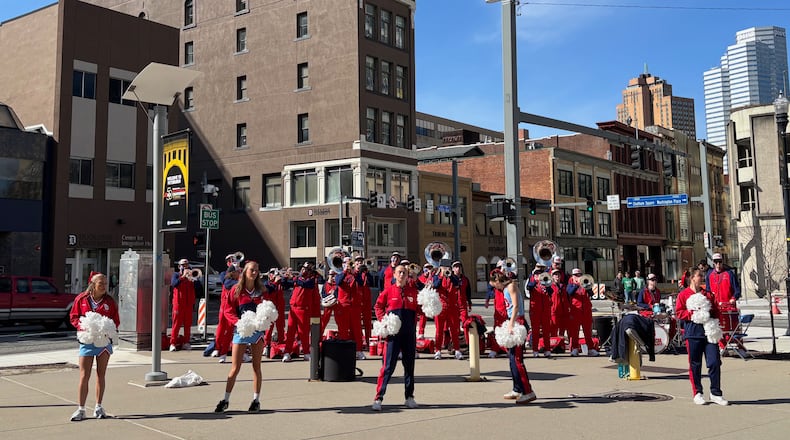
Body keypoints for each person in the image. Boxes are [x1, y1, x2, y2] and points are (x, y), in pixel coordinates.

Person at [214, 261, 266, 413]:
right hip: (241, 331)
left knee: (256, 367)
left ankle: (256, 400)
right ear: (245, 271)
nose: (254, 272)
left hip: (257, 332)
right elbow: (228, 311)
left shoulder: (261, 290)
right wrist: (238, 323)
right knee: (235, 368)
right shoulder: (236, 290)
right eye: (252, 270)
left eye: (257, 270)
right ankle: (225, 399)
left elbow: (267, 309)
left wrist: (264, 322)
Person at [69, 272, 120, 421]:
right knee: (84, 375)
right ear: (93, 284)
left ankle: (99, 406)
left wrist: (108, 329)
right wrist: (83, 326)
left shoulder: (110, 301)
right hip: (87, 341)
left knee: (101, 375)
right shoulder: (82, 299)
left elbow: (115, 320)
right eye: (101, 283)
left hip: (103, 343)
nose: (104, 286)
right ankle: (81, 409)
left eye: (105, 283)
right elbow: (74, 317)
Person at [675, 268, 729, 406]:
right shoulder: (683, 295)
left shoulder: (708, 295)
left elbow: (716, 312)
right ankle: (697, 392)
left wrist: (710, 316)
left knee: (714, 362)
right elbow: (679, 313)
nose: (702, 277)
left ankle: (716, 393)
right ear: (692, 278)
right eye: (699, 275)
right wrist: (692, 314)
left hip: (708, 333)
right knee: (695, 364)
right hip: (693, 333)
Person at [372, 265, 420, 411]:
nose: (402, 275)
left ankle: (409, 396)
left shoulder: (413, 292)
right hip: (393, 336)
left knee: (409, 366)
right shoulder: (388, 291)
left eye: (404, 273)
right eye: (399, 272)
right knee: (388, 367)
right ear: (394, 275)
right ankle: (378, 398)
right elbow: (378, 307)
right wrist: (383, 321)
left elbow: (421, 310)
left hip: (409, 334)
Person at [489, 269, 537, 405]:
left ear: (498, 280)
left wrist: (511, 324)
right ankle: (517, 388)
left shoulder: (511, 286)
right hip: (512, 321)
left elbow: (516, 306)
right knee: (511, 359)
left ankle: (528, 391)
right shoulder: (504, 289)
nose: (495, 288)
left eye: (495, 284)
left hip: (518, 322)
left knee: (517, 360)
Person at [282, 262, 323, 362]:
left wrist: (294, 278)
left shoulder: (311, 280)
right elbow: (285, 284)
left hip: (304, 309)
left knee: (303, 332)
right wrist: (285, 277)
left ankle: (306, 352)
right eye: (302, 268)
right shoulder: (298, 279)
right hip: (293, 308)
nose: (302, 270)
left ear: (310, 271)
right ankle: (287, 352)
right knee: (290, 331)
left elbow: (305, 284)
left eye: (305, 268)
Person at [706, 253, 741, 350]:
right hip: (716, 307)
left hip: (729, 306)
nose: (718, 264)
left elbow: (737, 289)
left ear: (722, 262)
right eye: (716, 262)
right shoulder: (709, 275)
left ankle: (739, 346)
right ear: (713, 262)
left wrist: (734, 298)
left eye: (720, 262)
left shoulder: (729, 273)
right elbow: (708, 291)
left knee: (734, 327)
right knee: (718, 328)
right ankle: (722, 347)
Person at [170, 258, 202, 351]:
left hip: (188, 304)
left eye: (187, 265)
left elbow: (200, 289)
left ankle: (186, 342)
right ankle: (173, 343)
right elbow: (174, 284)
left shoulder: (191, 276)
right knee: (176, 324)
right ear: (179, 266)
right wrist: (183, 276)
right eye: (183, 265)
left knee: (188, 325)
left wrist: (195, 280)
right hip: (178, 304)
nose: (185, 267)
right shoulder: (176, 275)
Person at [566, 268, 599, 357]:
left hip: (586, 310)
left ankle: (591, 349)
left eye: (580, 274)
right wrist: (576, 284)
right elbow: (569, 292)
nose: (578, 276)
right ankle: (574, 349)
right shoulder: (570, 284)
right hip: (575, 310)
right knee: (574, 331)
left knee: (588, 331)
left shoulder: (585, 283)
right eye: (576, 275)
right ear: (573, 276)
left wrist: (586, 286)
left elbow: (592, 294)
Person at [262, 267, 293, 357]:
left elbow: (288, 285)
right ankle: (265, 346)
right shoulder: (266, 284)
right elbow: (269, 290)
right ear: (269, 275)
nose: (274, 274)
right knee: (268, 329)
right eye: (272, 273)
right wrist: (275, 282)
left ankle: (281, 345)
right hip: (270, 309)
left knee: (280, 328)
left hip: (279, 309)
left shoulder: (280, 283)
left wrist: (286, 277)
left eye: (275, 273)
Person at [214, 263, 240, 363]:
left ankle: (223, 353)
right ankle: (217, 348)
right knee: (221, 329)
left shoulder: (235, 281)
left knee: (229, 332)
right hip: (225, 308)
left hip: (231, 309)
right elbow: (228, 284)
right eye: (237, 271)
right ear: (232, 273)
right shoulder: (228, 281)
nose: (239, 273)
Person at [525, 263, 552, 357]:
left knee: (546, 330)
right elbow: (529, 287)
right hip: (535, 309)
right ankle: (535, 350)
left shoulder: (546, 282)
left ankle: (547, 349)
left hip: (545, 309)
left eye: (540, 274)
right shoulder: (532, 282)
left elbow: (551, 292)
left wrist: (546, 283)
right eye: (536, 274)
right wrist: (535, 280)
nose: (538, 276)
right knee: (535, 330)